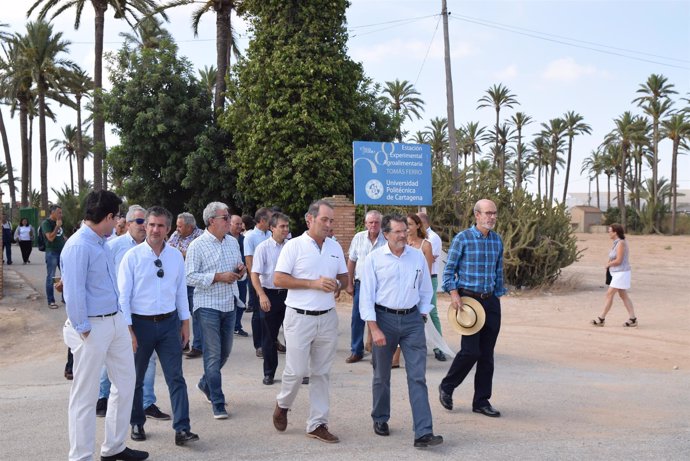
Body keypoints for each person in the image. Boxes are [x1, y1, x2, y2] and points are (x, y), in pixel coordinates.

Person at [61, 190, 148, 461]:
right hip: (91, 328)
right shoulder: (78, 246)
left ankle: (114, 448)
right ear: (109, 217)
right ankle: (81, 456)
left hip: (114, 321)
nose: (118, 223)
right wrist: (84, 329)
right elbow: (73, 293)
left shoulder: (101, 242)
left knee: (125, 382)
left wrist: (120, 318)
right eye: (117, 217)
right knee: (84, 396)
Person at [359, 214, 443, 448]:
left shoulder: (416, 258)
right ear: (386, 234)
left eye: (405, 231)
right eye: (397, 232)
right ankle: (380, 417)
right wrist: (374, 328)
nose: (403, 235)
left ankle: (424, 432)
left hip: (413, 321)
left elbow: (427, 290)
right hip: (383, 320)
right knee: (382, 374)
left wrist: (423, 314)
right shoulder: (374, 260)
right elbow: (365, 298)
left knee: (417, 377)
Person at [119, 206, 199, 447]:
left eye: (160, 225)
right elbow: (123, 297)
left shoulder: (175, 257)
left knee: (176, 378)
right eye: (151, 224)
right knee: (136, 378)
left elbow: (180, 294)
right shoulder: (132, 257)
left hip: (168, 325)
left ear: (168, 229)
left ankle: (182, 429)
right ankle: (136, 422)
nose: (154, 229)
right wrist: (128, 329)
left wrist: (186, 324)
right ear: (146, 226)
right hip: (140, 325)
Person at [272, 200, 348, 444]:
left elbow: (345, 278)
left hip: (327, 318)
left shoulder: (334, 247)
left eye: (331, 220)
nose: (328, 224)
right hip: (298, 317)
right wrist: (312, 284)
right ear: (310, 219)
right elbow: (279, 279)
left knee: (322, 373)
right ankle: (283, 405)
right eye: (324, 219)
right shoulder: (293, 246)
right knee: (295, 371)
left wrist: (337, 284)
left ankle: (317, 424)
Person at [98, 205, 169, 422]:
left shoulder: (155, 249)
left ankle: (146, 402)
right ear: (128, 224)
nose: (143, 226)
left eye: (144, 222)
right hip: (117, 311)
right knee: (113, 357)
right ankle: (102, 397)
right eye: (139, 222)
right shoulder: (114, 246)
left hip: (144, 314)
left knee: (148, 360)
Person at [438, 199, 506, 418]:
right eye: (487, 213)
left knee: (487, 355)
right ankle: (447, 386)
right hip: (468, 302)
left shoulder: (497, 240)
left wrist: (497, 296)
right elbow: (449, 271)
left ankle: (481, 401)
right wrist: (454, 293)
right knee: (471, 351)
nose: (491, 217)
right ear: (476, 215)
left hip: (491, 301)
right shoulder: (463, 239)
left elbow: (498, 271)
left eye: (494, 213)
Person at [185, 202, 246, 420]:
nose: (230, 221)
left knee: (225, 352)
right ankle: (217, 402)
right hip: (207, 305)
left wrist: (241, 271)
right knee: (212, 355)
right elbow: (189, 277)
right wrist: (218, 277)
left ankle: (205, 382)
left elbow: (240, 269)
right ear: (212, 221)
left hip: (229, 303)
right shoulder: (197, 245)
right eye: (225, 217)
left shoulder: (232, 242)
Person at [251, 212, 290, 385]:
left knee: (295, 336)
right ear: (272, 228)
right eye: (282, 226)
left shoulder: (292, 246)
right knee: (269, 337)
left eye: (287, 226)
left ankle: (297, 372)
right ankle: (269, 373)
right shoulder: (263, 248)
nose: (285, 229)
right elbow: (255, 274)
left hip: (290, 294)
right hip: (270, 295)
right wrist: (261, 295)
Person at [344, 210, 386, 364]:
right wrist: (349, 283)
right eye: (371, 222)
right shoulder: (358, 237)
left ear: (381, 224)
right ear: (365, 223)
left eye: (376, 222)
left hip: (381, 286)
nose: (373, 225)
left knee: (380, 318)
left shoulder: (386, 239)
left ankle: (378, 352)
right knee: (357, 318)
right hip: (361, 284)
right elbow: (352, 261)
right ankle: (356, 351)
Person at [168, 212, 204, 358]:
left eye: (180, 226)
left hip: (193, 281)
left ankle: (198, 346)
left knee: (196, 314)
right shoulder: (175, 235)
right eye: (177, 225)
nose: (177, 229)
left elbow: (193, 256)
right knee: (176, 313)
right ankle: (183, 343)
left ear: (190, 227)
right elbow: (167, 250)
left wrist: (180, 253)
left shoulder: (200, 236)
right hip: (176, 280)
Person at [591, 223, 637, 327]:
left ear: (615, 232)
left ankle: (601, 318)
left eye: (610, 231)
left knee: (609, 294)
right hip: (617, 272)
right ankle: (633, 318)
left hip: (621, 273)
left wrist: (608, 264)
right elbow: (613, 257)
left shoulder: (621, 243)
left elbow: (619, 260)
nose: (608, 233)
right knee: (623, 295)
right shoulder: (616, 243)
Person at [417, 212, 446, 361]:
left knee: (431, 312)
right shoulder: (416, 239)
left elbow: (429, 258)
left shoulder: (432, 238)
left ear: (421, 223)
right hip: (415, 280)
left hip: (429, 278)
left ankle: (438, 347)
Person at [244, 207, 273, 358]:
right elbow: (249, 263)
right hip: (257, 280)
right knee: (258, 314)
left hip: (272, 280)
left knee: (272, 312)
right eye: (270, 219)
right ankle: (259, 344)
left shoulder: (271, 234)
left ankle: (272, 341)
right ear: (262, 220)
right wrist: (256, 285)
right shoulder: (250, 237)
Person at [228, 215, 249, 337]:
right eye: (237, 224)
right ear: (230, 224)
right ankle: (230, 326)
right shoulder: (225, 239)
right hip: (228, 276)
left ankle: (237, 326)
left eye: (241, 224)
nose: (240, 226)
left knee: (241, 301)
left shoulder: (244, 239)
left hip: (242, 276)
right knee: (230, 303)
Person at [43, 205, 66, 308]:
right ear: (52, 212)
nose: (61, 214)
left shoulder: (59, 222)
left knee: (65, 275)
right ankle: (51, 301)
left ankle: (65, 298)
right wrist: (57, 226)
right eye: (59, 212)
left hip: (62, 252)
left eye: (61, 212)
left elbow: (61, 236)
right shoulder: (46, 223)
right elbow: (50, 238)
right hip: (52, 253)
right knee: (51, 277)